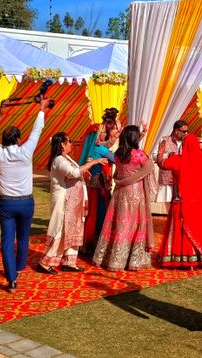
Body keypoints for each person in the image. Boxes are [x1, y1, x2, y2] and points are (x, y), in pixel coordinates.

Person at [0, 98, 49, 293]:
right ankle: (20, 267)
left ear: (3, 140)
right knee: (23, 237)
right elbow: (37, 131)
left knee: (6, 240)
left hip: (6, 204)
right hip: (25, 202)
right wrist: (41, 110)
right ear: (19, 139)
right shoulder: (25, 151)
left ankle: (12, 279)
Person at [38, 133, 108, 274]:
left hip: (73, 202)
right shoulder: (58, 160)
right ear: (63, 144)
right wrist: (94, 162)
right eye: (69, 141)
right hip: (64, 202)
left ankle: (69, 262)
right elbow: (73, 173)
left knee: (74, 230)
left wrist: (84, 171)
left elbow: (76, 172)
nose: (71, 143)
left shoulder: (65, 158)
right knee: (60, 230)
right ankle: (45, 262)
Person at [94, 126, 157, 271]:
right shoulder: (140, 155)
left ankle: (110, 258)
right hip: (135, 193)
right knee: (134, 224)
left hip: (119, 192)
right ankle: (132, 261)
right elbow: (149, 169)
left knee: (118, 224)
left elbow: (118, 174)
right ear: (135, 138)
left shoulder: (118, 154)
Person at [158, 134, 202, 268]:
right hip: (198, 203)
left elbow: (161, 164)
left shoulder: (177, 160)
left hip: (181, 202)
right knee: (197, 227)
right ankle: (200, 256)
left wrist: (161, 150)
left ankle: (181, 257)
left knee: (181, 230)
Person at [80, 109, 120, 253]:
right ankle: (94, 243)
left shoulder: (96, 147)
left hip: (93, 184)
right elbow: (115, 159)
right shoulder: (101, 148)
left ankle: (86, 243)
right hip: (99, 186)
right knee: (98, 213)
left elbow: (108, 145)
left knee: (91, 213)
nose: (106, 133)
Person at [155, 121, 188, 213]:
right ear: (176, 130)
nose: (186, 133)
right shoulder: (164, 140)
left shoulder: (187, 141)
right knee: (169, 205)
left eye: (186, 131)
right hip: (168, 177)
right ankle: (171, 224)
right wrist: (169, 155)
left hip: (181, 178)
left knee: (180, 206)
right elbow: (155, 155)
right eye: (184, 131)